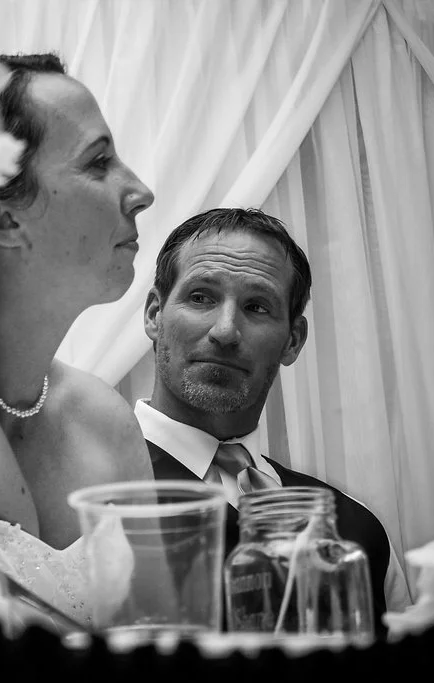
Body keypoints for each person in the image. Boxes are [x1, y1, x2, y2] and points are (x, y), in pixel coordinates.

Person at [0, 53, 156, 624]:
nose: (141, 191)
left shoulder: (106, 421)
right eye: (99, 162)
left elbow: (157, 625)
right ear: (3, 219)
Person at [135, 207, 413, 635]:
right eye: (201, 297)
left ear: (293, 341)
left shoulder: (357, 529)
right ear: (155, 313)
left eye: (257, 306)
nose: (225, 331)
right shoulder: (87, 492)